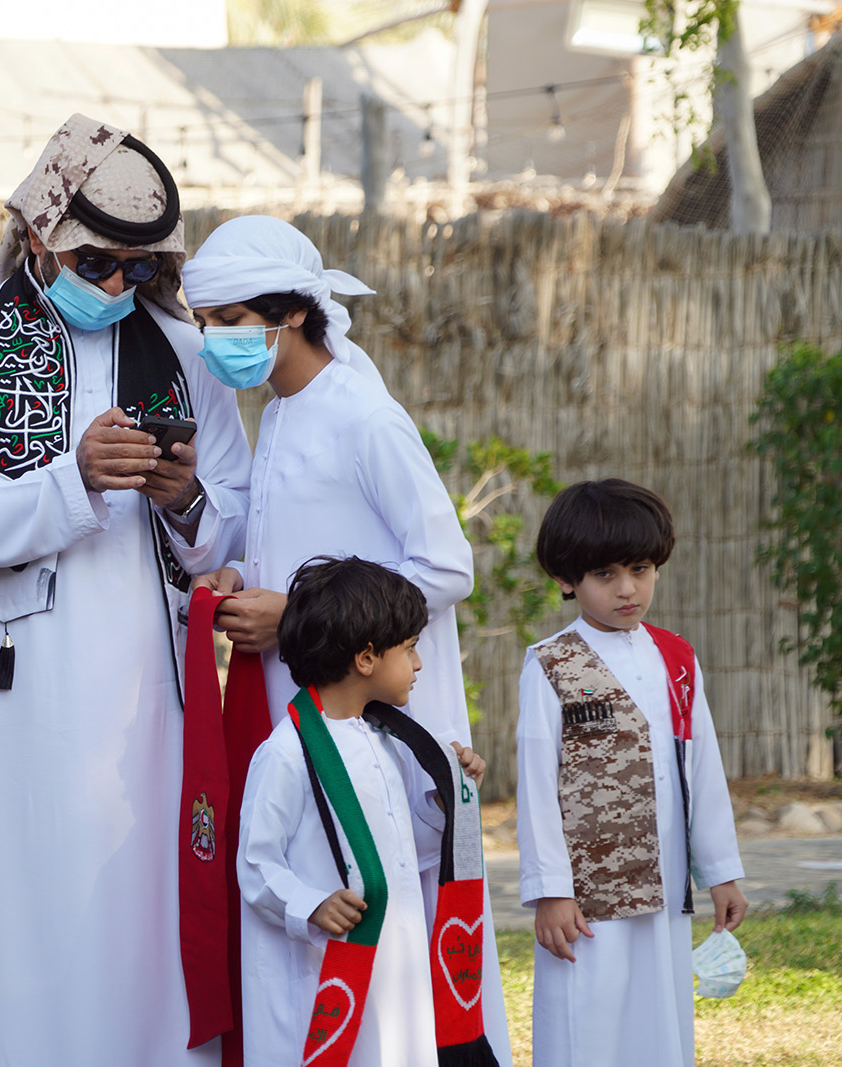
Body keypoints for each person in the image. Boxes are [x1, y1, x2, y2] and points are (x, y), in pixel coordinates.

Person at [0, 114, 254, 1065]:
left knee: (143, 916)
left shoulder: (184, 355)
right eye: (100, 266)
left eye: (141, 272)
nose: (119, 289)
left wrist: (186, 501)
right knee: (21, 919)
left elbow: (238, 521)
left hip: (150, 703)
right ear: (40, 236)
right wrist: (71, 479)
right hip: (16, 700)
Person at [181, 215, 513, 1063]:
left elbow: (445, 565)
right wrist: (238, 575)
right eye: (206, 319)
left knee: (413, 932)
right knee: (320, 911)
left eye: (227, 320)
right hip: (313, 721)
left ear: (289, 314)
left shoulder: (364, 416)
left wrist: (292, 612)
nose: (213, 340)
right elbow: (301, 544)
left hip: (385, 721)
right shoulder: (286, 410)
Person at [518, 478, 746, 1067]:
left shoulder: (677, 658)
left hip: (666, 884)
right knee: (585, 1019)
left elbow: (702, 767)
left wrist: (720, 870)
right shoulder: (549, 663)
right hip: (584, 899)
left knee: (659, 1018)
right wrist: (550, 891)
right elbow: (538, 785)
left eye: (641, 569)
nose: (628, 589)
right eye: (606, 574)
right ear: (568, 579)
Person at [237, 556, 487, 1067]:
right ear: (367, 657)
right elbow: (256, 863)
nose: (419, 664)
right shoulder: (286, 752)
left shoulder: (386, 737)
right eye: (411, 649)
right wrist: (310, 904)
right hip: (329, 963)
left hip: (398, 961)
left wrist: (446, 803)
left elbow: (393, 851)